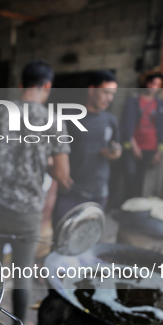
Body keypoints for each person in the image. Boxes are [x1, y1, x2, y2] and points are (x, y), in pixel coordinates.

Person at [0, 60, 72, 325]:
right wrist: (42, 161)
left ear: (21, 85)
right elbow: (62, 172)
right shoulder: (54, 120)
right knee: (22, 276)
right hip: (28, 213)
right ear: (47, 86)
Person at [52, 70, 121, 228]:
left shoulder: (111, 120)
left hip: (98, 191)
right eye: (105, 92)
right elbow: (52, 150)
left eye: (112, 94)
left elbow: (117, 148)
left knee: (89, 239)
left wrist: (114, 153)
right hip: (71, 191)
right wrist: (55, 169)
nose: (109, 98)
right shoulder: (69, 117)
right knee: (62, 240)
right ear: (92, 90)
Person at [120, 68, 163, 199]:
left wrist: (160, 151)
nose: (154, 87)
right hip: (133, 146)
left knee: (142, 178)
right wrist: (133, 146)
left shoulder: (160, 104)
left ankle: (137, 206)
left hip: (151, 147)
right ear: (146, 83)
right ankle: (126, 204)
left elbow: (162, 128)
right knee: (129, 174)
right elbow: (126, 125)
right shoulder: (133, 101)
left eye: (158, 85)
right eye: (152, 83)